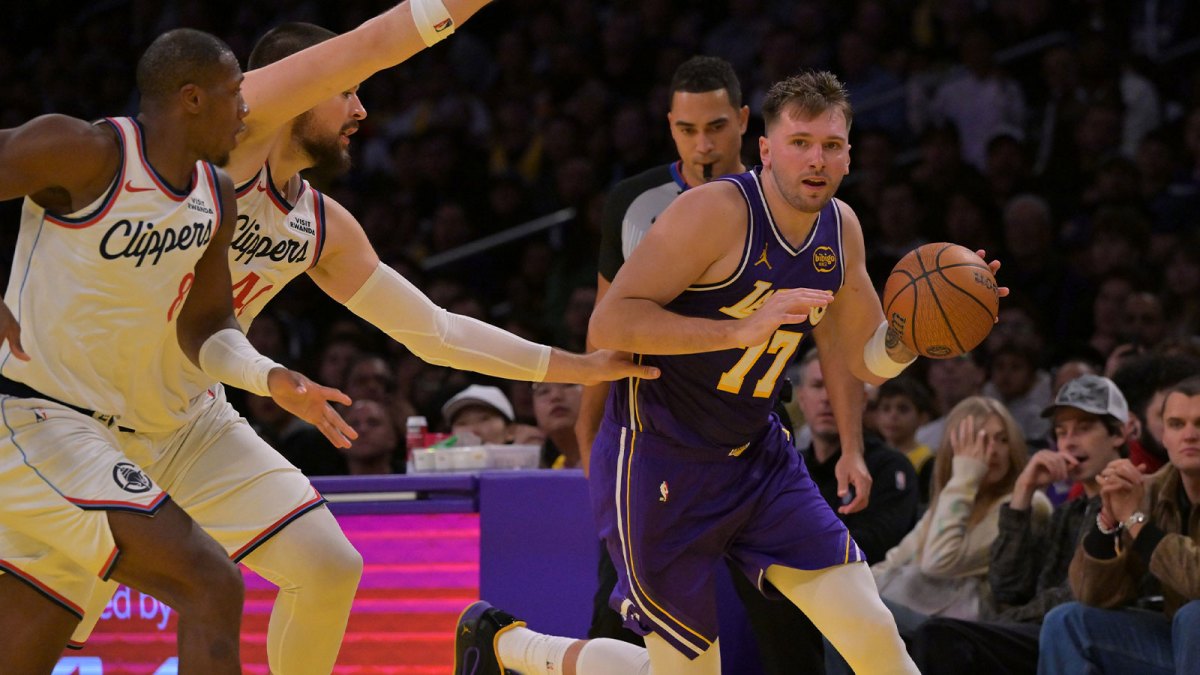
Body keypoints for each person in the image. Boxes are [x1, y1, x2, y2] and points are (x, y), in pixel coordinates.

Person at [59, 8, 659, 673]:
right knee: (48, 627)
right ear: (304, 87)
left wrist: (579, 366)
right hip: (88, 418)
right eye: (348, 91)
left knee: (327, 565)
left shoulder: (318, 222)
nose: (362, 110)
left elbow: (435, 330)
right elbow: (374, 41)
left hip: (190, 418)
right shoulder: (231, 138)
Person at [0, 28, 356, 673]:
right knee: (210, 583)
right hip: (35, 419)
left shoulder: (215, 194)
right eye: (233, 95)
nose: (248, 111)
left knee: (25, 643)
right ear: (191, 99)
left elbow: (207, 326)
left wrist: (268, 376)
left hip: (131, 432)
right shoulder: (80, 150)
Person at [577, 53, 751, 648]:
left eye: (716, 127)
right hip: (649, 434)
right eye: (686, 129)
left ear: (745, 121)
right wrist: (586, 435)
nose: (702, 145)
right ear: (669, 126)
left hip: (748, 431)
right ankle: (511, 648)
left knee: (792, 616)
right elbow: (604, 331)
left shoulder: (779, 198)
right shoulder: (634, 200)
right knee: (624, 621)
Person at [911, 373, 1133, 675]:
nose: (1069, 441)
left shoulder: (1130, 499)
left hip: (1087, 636)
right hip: (1041, 631)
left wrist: (1003, 622)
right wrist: (1023, 493)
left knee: (940, 637)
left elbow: (1078, 595)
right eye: (1061, 431)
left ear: (1118, 434)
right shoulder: (1068, 511)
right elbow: (1009, 586)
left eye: (1084, 428)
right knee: (918, 639)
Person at [847, 395, 1046, 675]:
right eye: (978, 441)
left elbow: (938, 561)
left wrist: (966, 476)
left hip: (973, 625)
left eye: (1002, 439)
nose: (993, 451)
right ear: (956, 448)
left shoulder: (1027, 504)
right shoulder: (951, 502)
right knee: (843, 613)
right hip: (927, 615)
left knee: (859, 612)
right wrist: (853, 592)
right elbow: (895, 560)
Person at [1039, 376, 1200, 674]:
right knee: (1067, 622)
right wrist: (1108, 521)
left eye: (1199, 424)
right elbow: (1093, 595)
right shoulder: (1149, 490)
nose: (1189, 435)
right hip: (1177, 642)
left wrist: (1136, 522)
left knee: (1194, 616)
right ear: (1164, 435)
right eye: (1177, 424)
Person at [874, 375, 937, 504]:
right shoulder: (871, 456)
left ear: (922, 418)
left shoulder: (929, 461)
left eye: (903, 409)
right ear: (876, 416)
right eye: (886, 408)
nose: (893, 415)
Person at [531, 382, 584, 468]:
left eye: (569, 384)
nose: (555, 396)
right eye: (543, 391)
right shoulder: (557, 468)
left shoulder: (612, 460)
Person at [443, 383, 517, 444]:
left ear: (510, 430)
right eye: (462, 423)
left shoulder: (526, 461)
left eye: (484, 419)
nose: (472, 431)